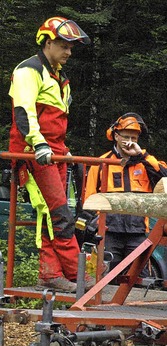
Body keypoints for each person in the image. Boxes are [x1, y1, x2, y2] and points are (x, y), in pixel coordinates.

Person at [8, 16, 92, 293]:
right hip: (34, 151)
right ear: (47, 42)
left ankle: (51, 273)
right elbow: (24, 113)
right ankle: (74, 274)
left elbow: (57, 119)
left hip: (55, 151)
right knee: (58, 212)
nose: (69, 52)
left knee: (54, 212)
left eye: (71, 47)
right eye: (64, 45)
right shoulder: (28, 71)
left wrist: (61, 149)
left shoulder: (61, 78)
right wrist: (39, 144)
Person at [84, 113, 167, 281]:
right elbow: (89, 200)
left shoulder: (145, 163)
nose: (129, 141)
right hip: (109, 232)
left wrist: (142, 156)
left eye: (134, 138)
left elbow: (165, 178)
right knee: (106, 280)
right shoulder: (102, 163)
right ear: (116, 136)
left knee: (139, 279)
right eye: (125, 137)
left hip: (137, 232)